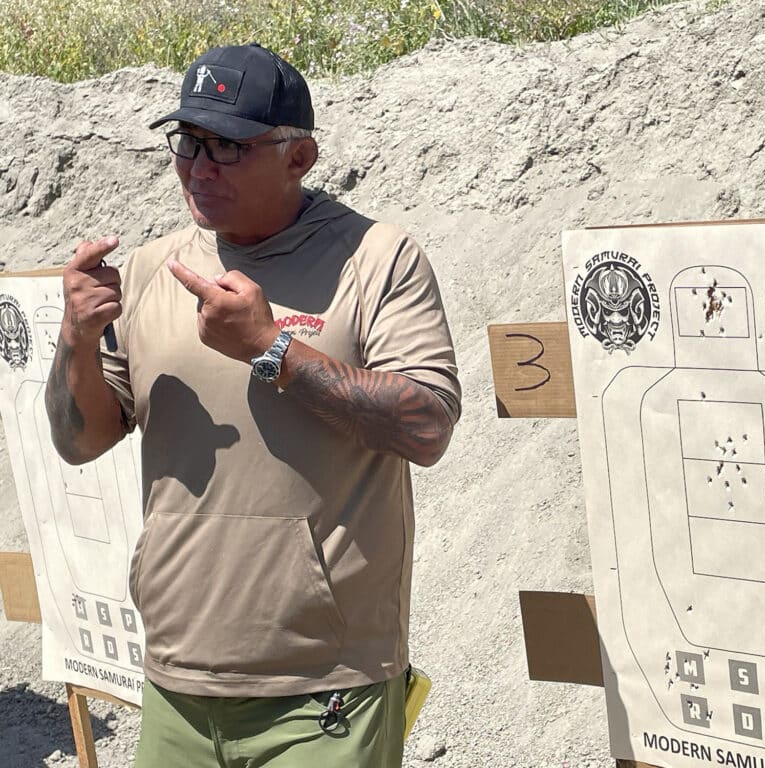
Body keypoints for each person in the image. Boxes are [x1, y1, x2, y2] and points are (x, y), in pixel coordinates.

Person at [44, 42, 460, 768]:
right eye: (189, 141)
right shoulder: (149, 270)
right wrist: (76, 339)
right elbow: (79, 442)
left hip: (325, 686)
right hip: (177, 676)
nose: (200, 167)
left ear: (300, 158)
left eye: (229, 147)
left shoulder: (377, 258)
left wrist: (273, 351)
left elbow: (425, 426)